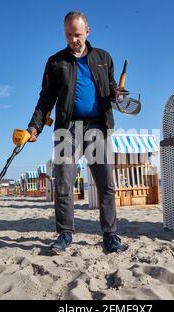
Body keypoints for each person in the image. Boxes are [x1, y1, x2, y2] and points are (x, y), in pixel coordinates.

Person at [27, 11, 126, 255]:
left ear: (88, 31)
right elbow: (46, 97)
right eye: (69, 35)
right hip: (67, 128)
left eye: (78, 34)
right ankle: (64, 234)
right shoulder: (55, 61)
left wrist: (117, 94)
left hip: (97, 126)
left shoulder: (104, 58)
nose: (73, 39)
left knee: (105, 184)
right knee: (63, 182)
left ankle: (110, 236)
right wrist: (34, 126)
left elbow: (111, 89)